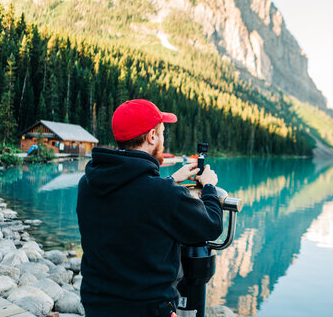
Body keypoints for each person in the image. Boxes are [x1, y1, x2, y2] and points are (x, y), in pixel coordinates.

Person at [77, 99, 223, 317]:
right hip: (149, 311)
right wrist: (209, 186)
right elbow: (211, 225)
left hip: (97, 307)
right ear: (151, 137)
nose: (163, 139)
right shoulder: (161, 194)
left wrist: (172, 180)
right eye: (162, 132)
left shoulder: (88, 183)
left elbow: (133, 200)